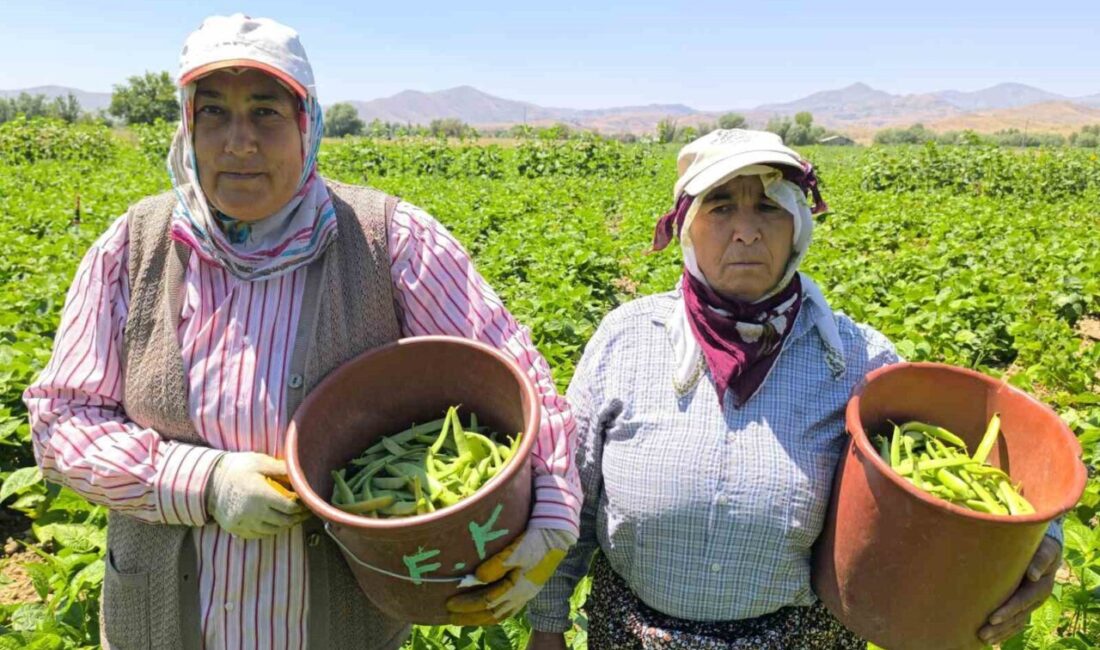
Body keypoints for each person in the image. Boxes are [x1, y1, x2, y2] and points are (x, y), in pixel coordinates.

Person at [24, 14, 579, 649]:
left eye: (264, 112)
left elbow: (515, 379)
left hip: (335, 626)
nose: (238, 142)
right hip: (162, 625)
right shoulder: (131, 248)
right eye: (213, 113)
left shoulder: (391, 241)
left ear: (306, 122)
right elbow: (62, 420)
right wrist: (199, 483)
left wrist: (552, 515)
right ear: (186, 126)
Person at [526, 129, 1063, 649]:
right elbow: (573, 495)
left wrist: (1039, 544)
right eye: (720, 207)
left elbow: (974, 463)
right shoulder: (627, 340)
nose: (746, 231)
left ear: (797, 226)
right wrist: (547, 625)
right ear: (687, 228)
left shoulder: (856, 356)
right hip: (633, 633)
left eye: (768, 207)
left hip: (802, 636)